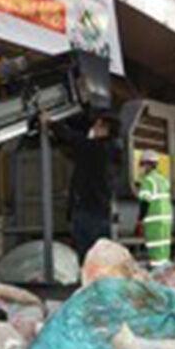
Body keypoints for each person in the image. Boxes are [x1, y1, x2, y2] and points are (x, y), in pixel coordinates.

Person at [51, 112, 116, 262]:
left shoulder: (96, 148)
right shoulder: (108, 149)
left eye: (95, 126)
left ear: (102, 126)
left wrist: (50, 122)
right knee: (100, 256)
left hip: (90, 212)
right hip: (98, 211)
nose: (92, 130)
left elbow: (73, 138)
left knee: (89, 256)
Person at [135, 149, 173, 269]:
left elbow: (145, 202)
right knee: (164, 250)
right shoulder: (163, 180)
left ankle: (157, 277)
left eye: (142, 165)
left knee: (155, 251)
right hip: (166, 220)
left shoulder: (148, 181)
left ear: (147, 164)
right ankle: (165, 273)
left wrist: (139, 220)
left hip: (154, 221)